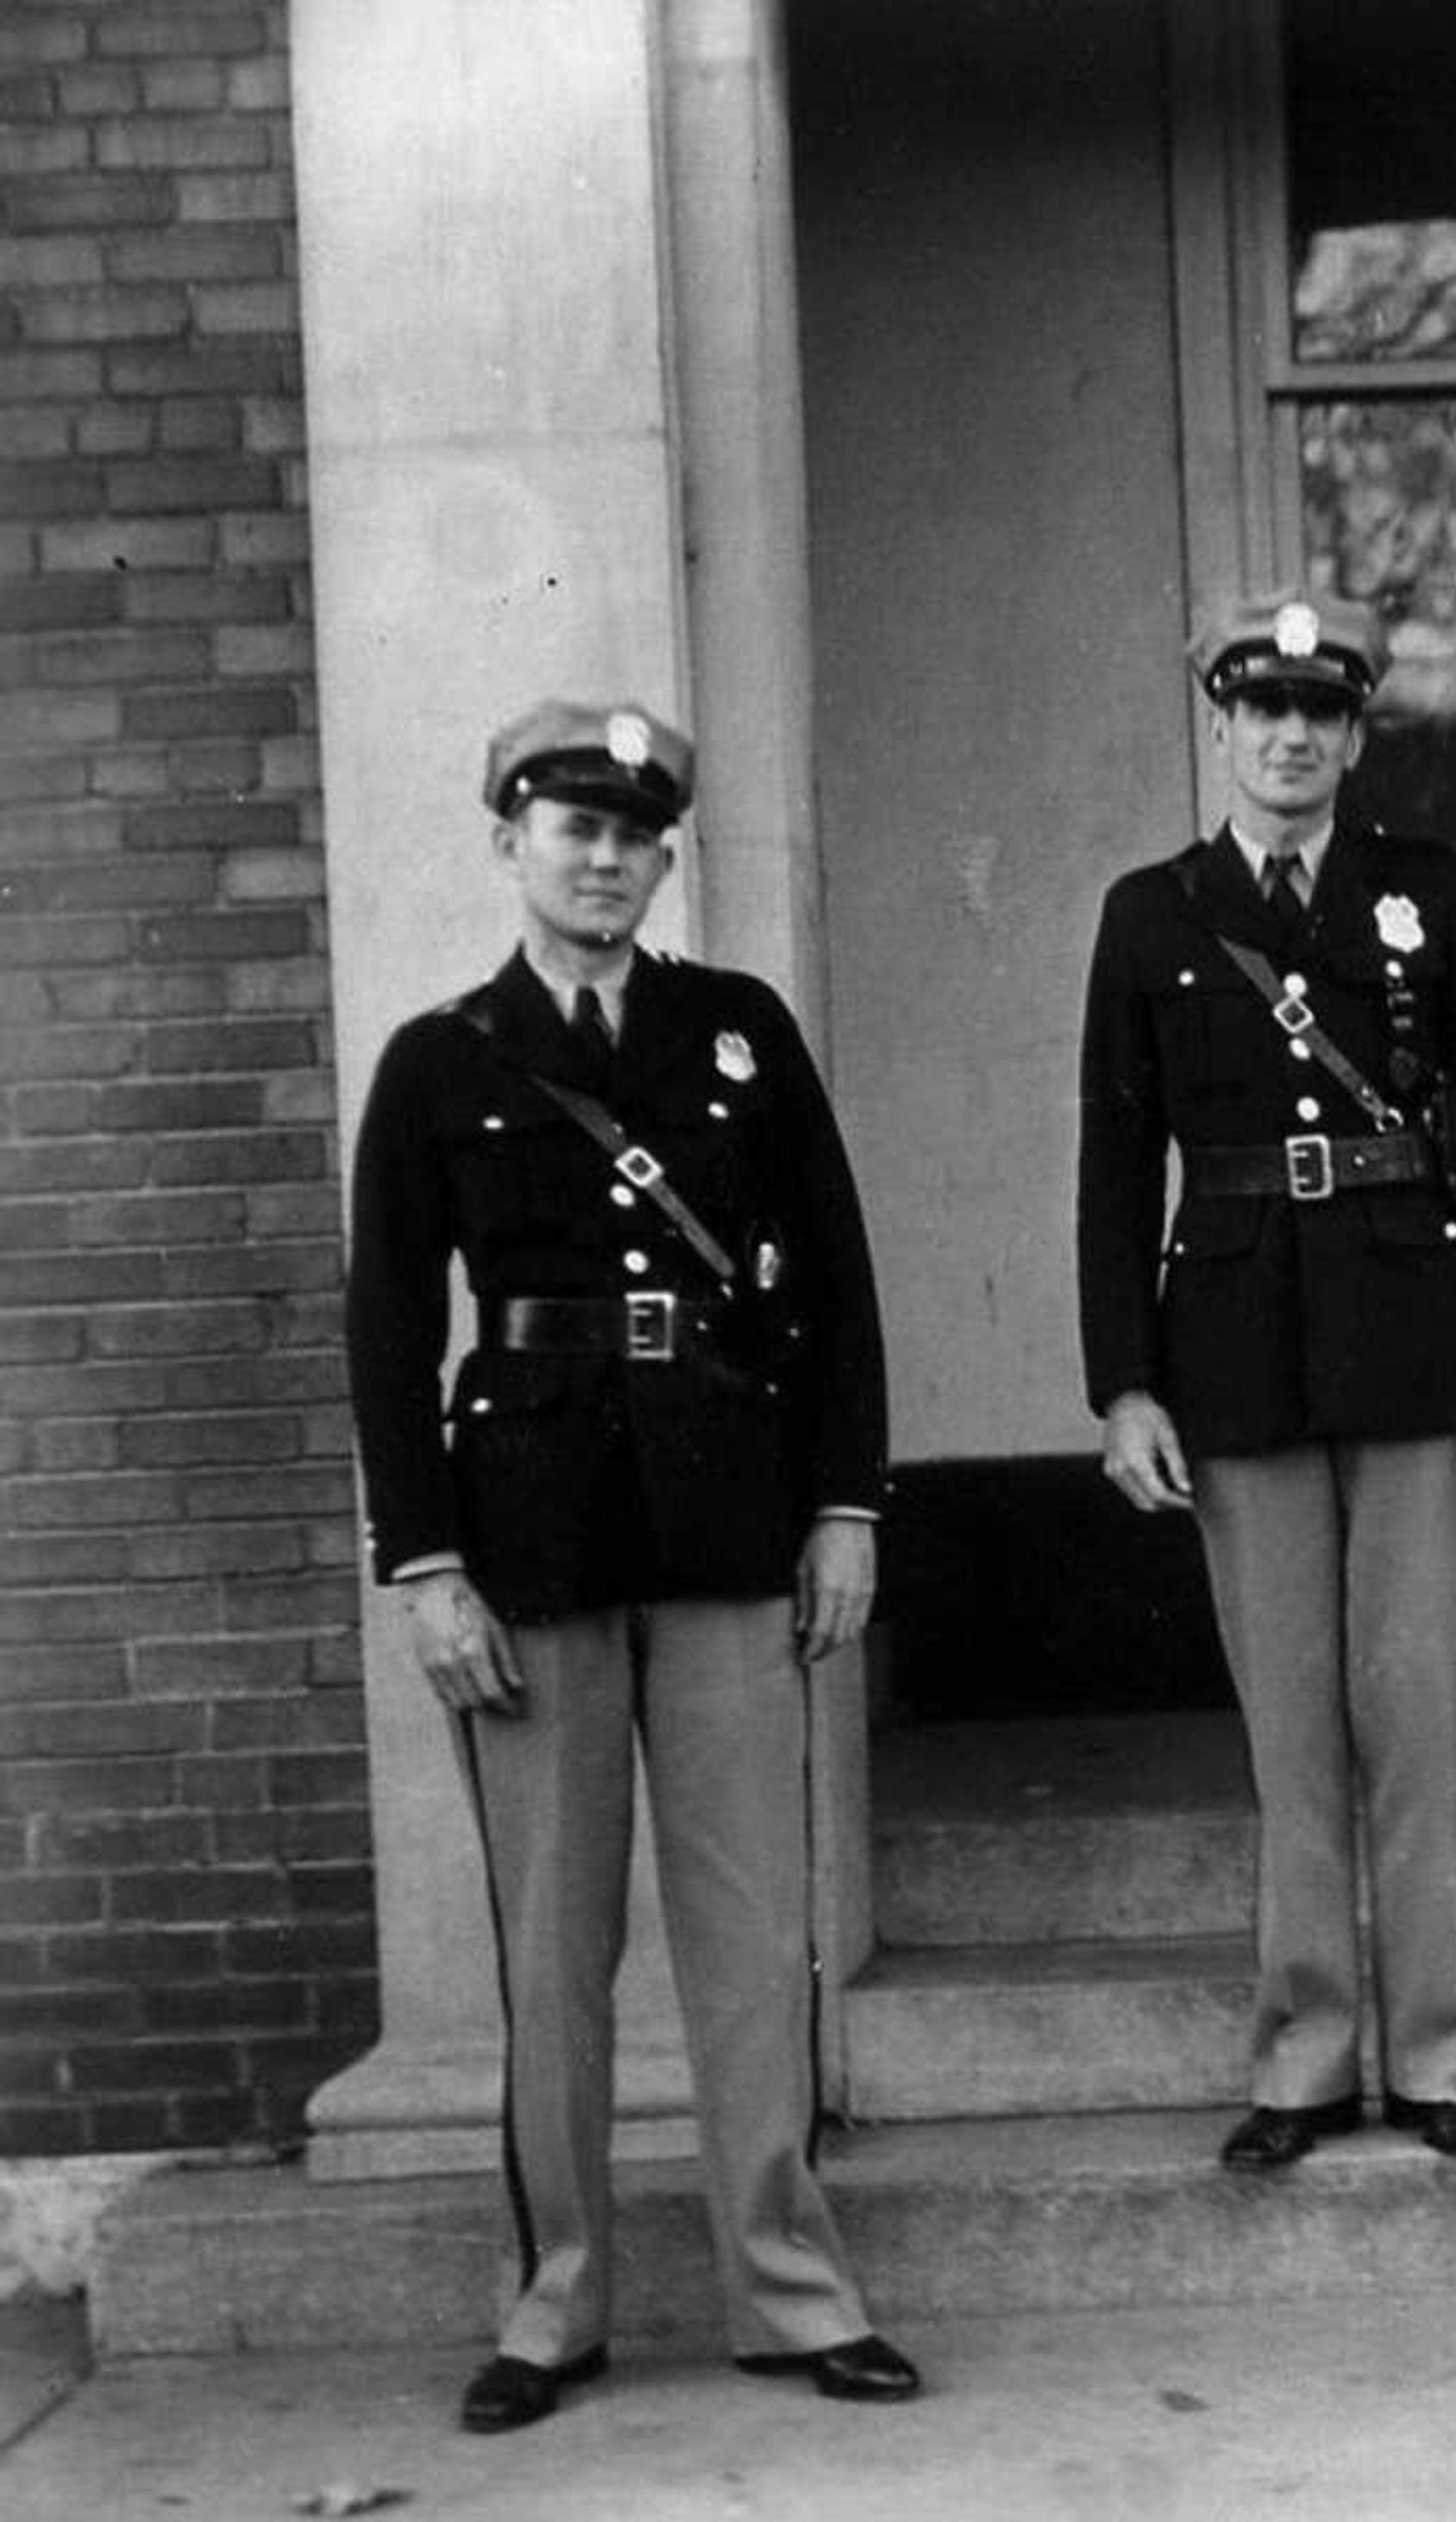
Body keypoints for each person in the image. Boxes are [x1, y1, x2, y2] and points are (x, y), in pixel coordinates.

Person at [343, 700, 920, 2431]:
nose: (604, 859)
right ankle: (556, 2302)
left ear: (670, 852)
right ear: (508, 839)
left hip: (729, 1518)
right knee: (554, 1952)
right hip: (524, 1537)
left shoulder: (734, 1033)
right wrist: (424, 1559)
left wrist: (846, 1506)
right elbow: (387, 1326)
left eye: (635, 832)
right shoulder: (443, 1061)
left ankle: (790, 2292)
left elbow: (837, 1276)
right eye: (570, 827)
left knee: (751, 1936)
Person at [1078, 590, 1456, 2174]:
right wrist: (1124, 1386)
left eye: (1319, 714)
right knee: (1291, 1738)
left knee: (1411, 1723)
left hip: (1420, 1341)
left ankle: (1431, 2055)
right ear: (1220, 730)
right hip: (1234, 1360)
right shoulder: (1152, 914)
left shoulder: (1424, 892)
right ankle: (1303, 2059)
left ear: (1356, 736)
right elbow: (1113, 1167)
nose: (1289, 738)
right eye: (1260, 711)